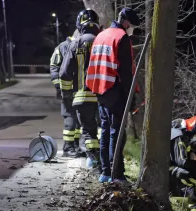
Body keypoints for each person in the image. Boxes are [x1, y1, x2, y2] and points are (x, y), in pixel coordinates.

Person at [86, 7, 141, 184]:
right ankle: (116, 174)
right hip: (115, 91)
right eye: (132, 25)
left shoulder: (101, 36)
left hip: (100, 90)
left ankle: (105, 172)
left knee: (105, 131)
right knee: (117, 134)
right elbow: (125, 72)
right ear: (126, 22)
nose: (132, 29)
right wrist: (130, 96)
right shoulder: (121, 37)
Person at [60, 9, 102, 170]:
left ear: (80, 25)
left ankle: (93, 161)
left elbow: (64, 73)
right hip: (102, 95)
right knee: (103, 129)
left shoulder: (75, 44)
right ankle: (107, 162)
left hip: (82, 97)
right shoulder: (102, 42)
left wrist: (66, 94)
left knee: (89, 131)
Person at [50, 35, 85, 158]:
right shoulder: (63, 47)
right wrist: (60, 87)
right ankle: (68, 147)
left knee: (77, 121)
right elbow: (54, 68)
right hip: (67, 91)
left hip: (78, 90)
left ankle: (74, 146)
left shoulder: (80, 46)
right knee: (70, 119)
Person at [169, 116, 196, 198]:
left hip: (170, 164)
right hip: (165, 168)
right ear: (193, 129)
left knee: (195, 172)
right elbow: (182, 161)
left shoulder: (182, 133)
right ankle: (177, 193)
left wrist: (191, 152)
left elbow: (184, 150)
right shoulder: (178, 135)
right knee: (193, 174)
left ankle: (183, 193)